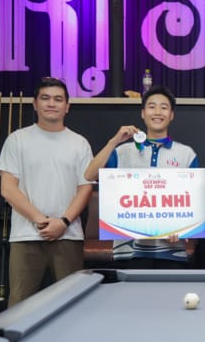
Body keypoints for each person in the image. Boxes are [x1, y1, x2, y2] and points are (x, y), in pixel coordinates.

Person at [0, 77, 93, 306]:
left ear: (67, 106)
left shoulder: (80, 143)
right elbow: (8, 189)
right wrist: (41, 221)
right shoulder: (17, 140)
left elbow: (85, 189)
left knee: (73, 305)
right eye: (45, 98)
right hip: (26, 236)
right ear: (35, 103)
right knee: (19, 306)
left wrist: (63, 222)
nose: (51, 104)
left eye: (58, 99)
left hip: (68, 235)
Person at [84, 85, 198, 268]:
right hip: (128, 249)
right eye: (152, 106)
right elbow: (90, 174)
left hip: (171, 250)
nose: (157, 112)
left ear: (171, 115)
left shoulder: (186, 154)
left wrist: (183, 227)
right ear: (143, 113)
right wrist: (114, 141)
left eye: (164, 107)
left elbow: (194, 199)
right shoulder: (123, 151)